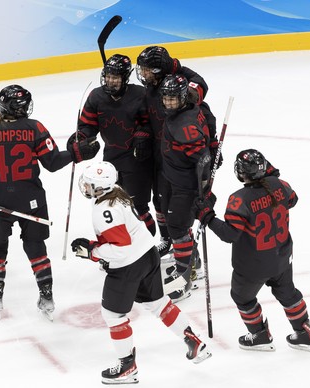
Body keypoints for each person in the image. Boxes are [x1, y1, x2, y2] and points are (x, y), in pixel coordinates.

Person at [0, 84, 100, 321]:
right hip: (32, 200)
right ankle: (47, 296)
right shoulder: (35, 127)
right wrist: (76, 153)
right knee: (36, 248)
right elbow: (52, 163)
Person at [70, 161, 211, 385]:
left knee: (113, 315)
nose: (85, 188)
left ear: (100, 188)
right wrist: (93, 246)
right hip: (147, 254)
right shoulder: (117, 192)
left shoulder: (103, 209)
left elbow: (120, 248)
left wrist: (93, 252)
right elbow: (125, 235)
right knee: (158, 303)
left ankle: (127, 366)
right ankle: (193, 340)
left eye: (89, 185)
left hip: (128, 265)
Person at [194, 149, 310, 353]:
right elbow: (293, 200)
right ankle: (305, 332)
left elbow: (229, 235)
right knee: (288, 293)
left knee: (242, 297)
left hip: (253, 265)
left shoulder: (239, 199)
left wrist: (207, 216)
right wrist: (271, 178)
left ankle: (260, 335)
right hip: (281, 257)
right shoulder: (281, 185)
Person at [135, 46, 219, 261]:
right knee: (160, 202)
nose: (142, 74)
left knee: (179, 212)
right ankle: (169, 240)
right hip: (159, 152)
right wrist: (143, 134)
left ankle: (189, 254)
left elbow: (204, 110)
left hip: (179, 157)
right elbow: (145, 114)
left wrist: (212, 145)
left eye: (146, 70)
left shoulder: (179, 86)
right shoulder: (154, 86)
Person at [69, 54, 156, 237]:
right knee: (110, 204)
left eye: (115, 77)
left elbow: (151, 122)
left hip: (137, 160)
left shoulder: (140, 95)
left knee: (138, 207)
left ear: (125, 78)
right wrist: (81, 137)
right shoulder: (96, 97)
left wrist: (143, 134)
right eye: (108, 76)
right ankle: (118, 244)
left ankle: (146, 246)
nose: (110, 81)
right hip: (110, 161)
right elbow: (87, 125)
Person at [158, 74, 212, 302]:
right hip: (175, 178)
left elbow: (202, 159)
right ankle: (194, 263)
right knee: (177, 226)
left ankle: (184, 279)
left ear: (182, 98)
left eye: (173, 99)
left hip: (185, 186)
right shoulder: (190, 108)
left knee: (177, 228)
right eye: (166, 99)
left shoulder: (184, 125)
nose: (168, 103)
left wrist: (204, 191)